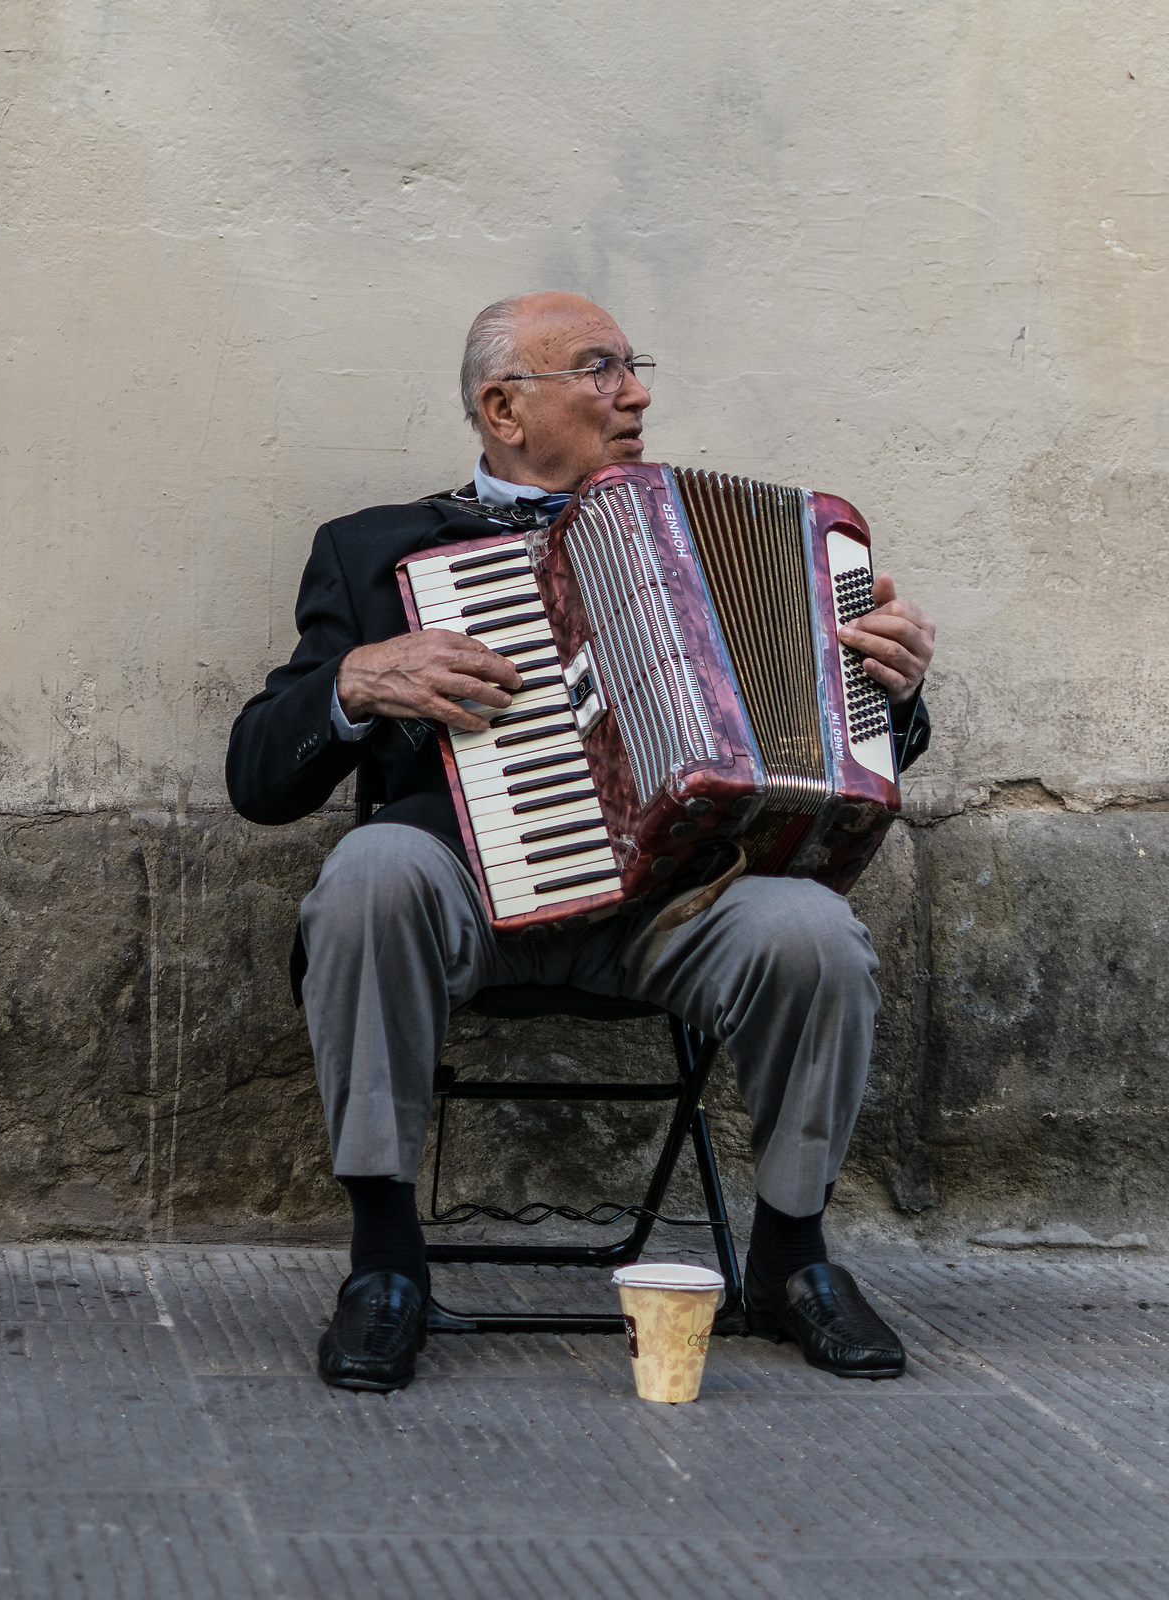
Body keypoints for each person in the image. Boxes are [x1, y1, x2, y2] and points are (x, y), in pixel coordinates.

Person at [224, 292, 937, 1394]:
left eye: (633, 367)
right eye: (601, 369)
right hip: (466, 900)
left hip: (672, 910)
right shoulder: (377, 551)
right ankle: (384, 1260)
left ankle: (793, 1255)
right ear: (504, 407)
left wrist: (886, 683)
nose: (637, 391)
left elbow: (839, 743)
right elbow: (259, 775)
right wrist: (357, 682)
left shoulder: (710, 536)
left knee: (815, 931)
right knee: (371, 869)